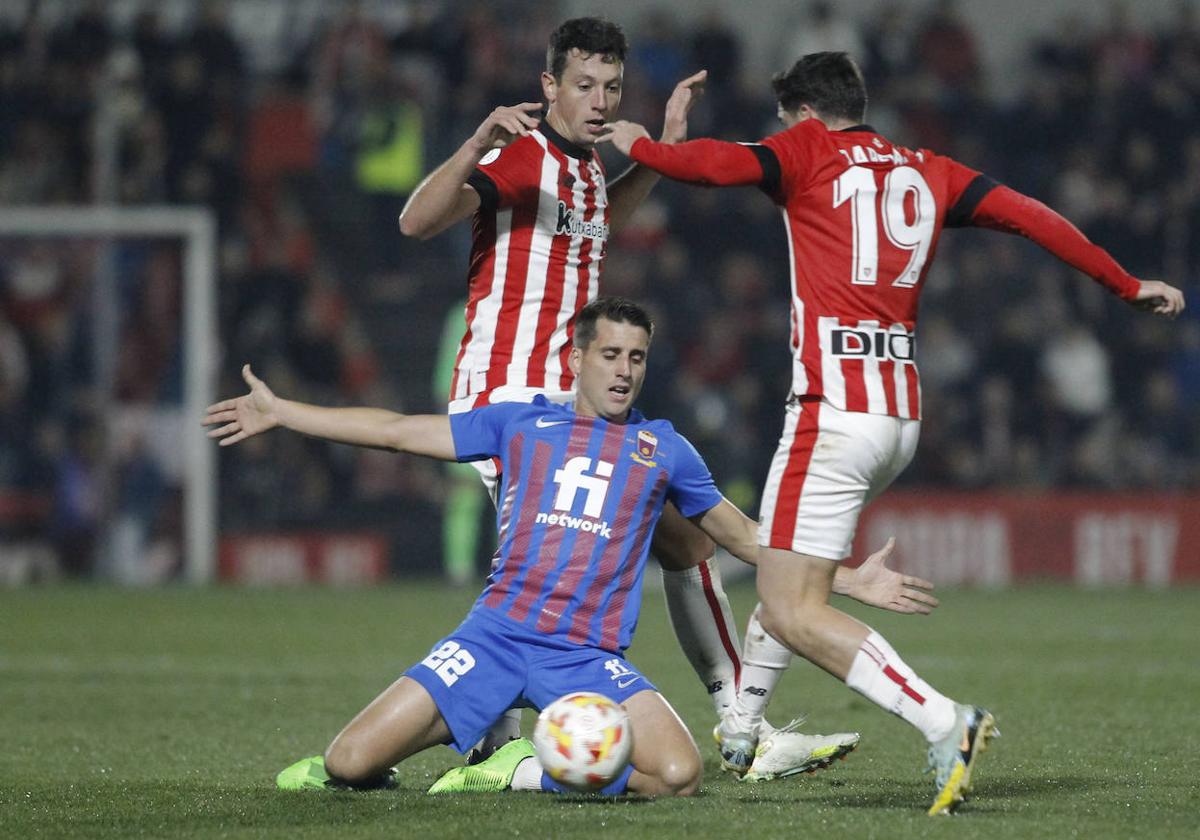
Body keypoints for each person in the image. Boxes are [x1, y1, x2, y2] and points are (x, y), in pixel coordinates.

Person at [600, 51, 1185, 814]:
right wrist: (1125, 283)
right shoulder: (927, 169)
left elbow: (713, 167)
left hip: (832, 409)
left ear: (805, 114)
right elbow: (1033, 215)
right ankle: (742, 730)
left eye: (785, 121)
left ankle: (946, 721)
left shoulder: (806, 150)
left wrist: (644, 145)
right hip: (898, 416)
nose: (782, 133)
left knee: (789, 606)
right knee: (786, 567)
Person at [396, 17, 933, 777]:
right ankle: (502, 744)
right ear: (548, 86)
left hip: (572, 409)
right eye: (583, 85)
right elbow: (416, 220)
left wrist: (666, 151)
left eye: (611, 86)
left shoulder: (583, 169)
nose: (599, 99)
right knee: (536, 578)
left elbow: (599, 222)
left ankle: (738, 726)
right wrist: (480, 136)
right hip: (512, 401)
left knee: (685, 539)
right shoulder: (522, 156)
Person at [202, 296, 913, 798]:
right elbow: (394, 429)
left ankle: (521, 770)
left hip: (585, 658)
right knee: (349, 763)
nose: (624, 370)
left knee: (678, 775)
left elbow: (747, 538)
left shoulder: (663, 450)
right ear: (576, 357)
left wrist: (844, 581)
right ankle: (453, 752)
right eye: (609, 354)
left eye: (636, 357)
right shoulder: (518, 423)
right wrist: (283, 411)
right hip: (492, 638)